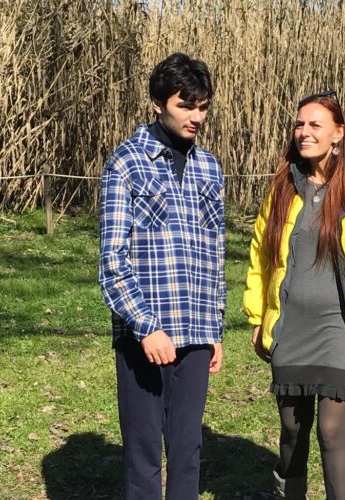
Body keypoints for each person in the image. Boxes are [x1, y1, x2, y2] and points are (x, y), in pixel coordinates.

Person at [243, 90, 345, 499]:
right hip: (291, 327)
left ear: (338, 132)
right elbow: (262, 254)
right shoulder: (283, 185)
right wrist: (258, 316)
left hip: (340, 330)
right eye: (299, 124)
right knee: (292, 429)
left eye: (315, 125)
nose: (304, 132)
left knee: (331, 430)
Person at [98, 52, 225, 500]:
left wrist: (215, 329)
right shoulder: (126, 164)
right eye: (185, 106)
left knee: (188, 451)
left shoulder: (209, 168)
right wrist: (146, 327)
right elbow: (112, 262)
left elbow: (215, 253)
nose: (196, 117)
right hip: (144, 337)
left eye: (203, 107)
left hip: (196, 333)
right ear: (157, 103)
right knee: (144, 452)